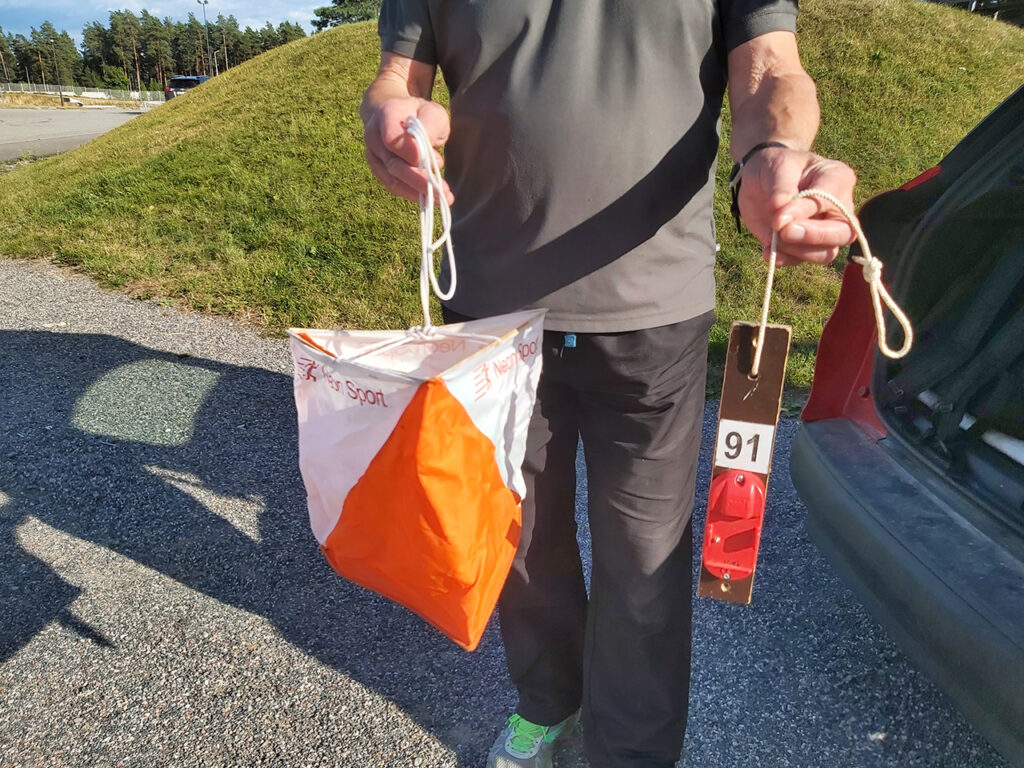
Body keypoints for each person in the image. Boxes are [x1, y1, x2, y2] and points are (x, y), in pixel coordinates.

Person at [360, 3, 857, 767]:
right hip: (491, 312)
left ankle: (632, 755)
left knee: (644, 562)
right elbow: (398, 76)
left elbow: (770, 69)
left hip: (654, 312)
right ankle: (549, 704)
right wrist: (389, 114)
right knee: (520, 542)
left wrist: (775, 152)